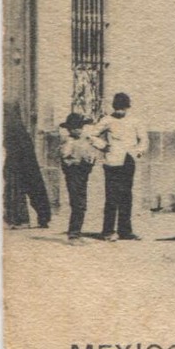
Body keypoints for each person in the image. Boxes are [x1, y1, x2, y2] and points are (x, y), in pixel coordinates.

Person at [96, 92, 146, 241]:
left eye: (123, 108)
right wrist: (103, 146)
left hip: (128, 161)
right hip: (112, 161)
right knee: (111, 197)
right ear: (114, 107)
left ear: (127, 108)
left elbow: (143, 139)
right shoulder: (107, 120)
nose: (120, 111)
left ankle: (125, 230)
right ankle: (108, 231)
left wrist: (138, 151)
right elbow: (91, 134)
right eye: (117, 108)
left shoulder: (135, 121)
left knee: (126, 196)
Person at [3, 102, 50, 230]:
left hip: (18, 162)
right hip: (24, 161)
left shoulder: (12, 126)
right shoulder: (18, 126)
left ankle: (20, 219)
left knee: (19, 188)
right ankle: (42, 217)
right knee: (34, 186)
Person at [57, 112, 100, 241]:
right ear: (69, 129)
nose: (78, 130)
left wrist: (91, 159)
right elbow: (65, 157)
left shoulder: (85, 140)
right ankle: (73, 234)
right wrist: (77, 161)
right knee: (77, 203)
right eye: (75, 127)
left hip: (83, 173)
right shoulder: (68, 142)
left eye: (80, 127)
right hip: (73, 173)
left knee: (82, 203)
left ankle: (77, 232)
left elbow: (91, 152)